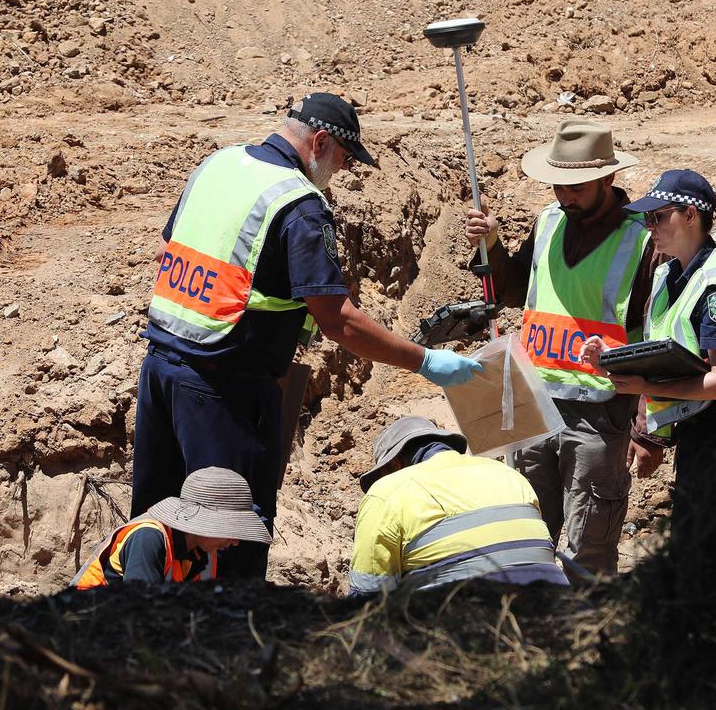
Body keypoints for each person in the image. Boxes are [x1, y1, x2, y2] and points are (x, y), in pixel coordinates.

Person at [135, 92, 483, 579]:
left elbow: (167, 252)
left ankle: (142, 635)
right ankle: (231, 643)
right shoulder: (298, 203)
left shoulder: (218, 165)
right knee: (231, 535)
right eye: (342, 160)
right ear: (320, 143)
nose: (340, 173)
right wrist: (424, 360)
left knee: (157, 527)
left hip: (160, 373)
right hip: (225, 394)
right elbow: (338, 320)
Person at [462, 119, 663, 576]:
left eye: (577, 187)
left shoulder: (643, 239)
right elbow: (512, 292)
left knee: (588, 547)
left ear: (608, 179)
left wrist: (649, 428)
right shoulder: (549, 222)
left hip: (598, 414)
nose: (564, 196)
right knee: (526, 533)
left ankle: (587, 637)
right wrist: (491, 244)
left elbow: (657, 335)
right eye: (559, 186)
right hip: (533, 401)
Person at [581, 169, 716, 506]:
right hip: (699, 436)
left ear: (690, 215)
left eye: (658, 217)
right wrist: (612, 357)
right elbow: (669, 350)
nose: (649, 227)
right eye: (647, 218)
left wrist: (648, 387)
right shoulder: (669, 274)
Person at [348, 416, 569, 596]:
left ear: (396, 463)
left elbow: (367, 596)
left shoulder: (387, 491)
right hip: (552, 611)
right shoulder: (509, 475)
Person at [71, 467, 271, 587]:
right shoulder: (148, 538)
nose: (235, 542)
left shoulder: (203, 553)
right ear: (205, 521)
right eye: (231, 529)